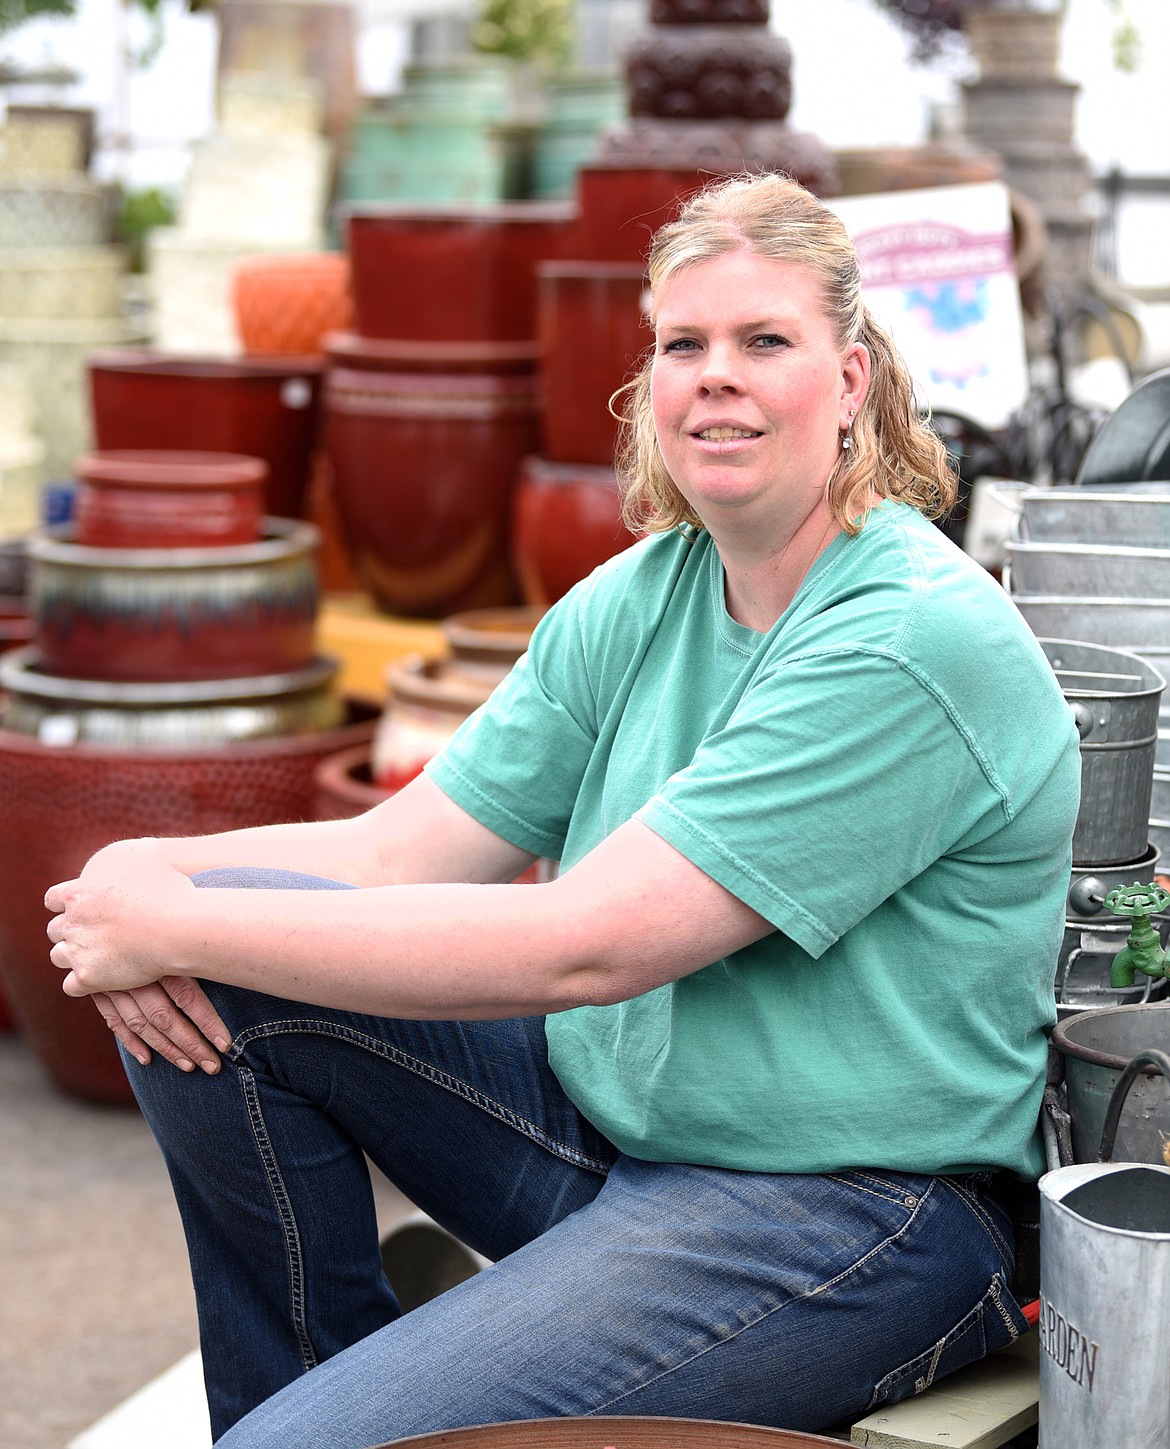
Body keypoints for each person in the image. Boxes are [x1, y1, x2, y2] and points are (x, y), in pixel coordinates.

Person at [45, 172, 1080, 1448]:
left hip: (856, 1219)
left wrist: (177, 923)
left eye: (766, 341)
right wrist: (136, 873)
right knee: (227, 960)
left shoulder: (907, 639)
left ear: (853, 381)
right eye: (683, 344)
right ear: (649, 381)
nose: (716, 375)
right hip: (617, 1138)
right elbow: (393, 851)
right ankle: (311, 1404)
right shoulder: (643, 596)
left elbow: (583, 946)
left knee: (209, 943)